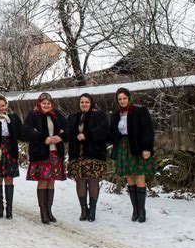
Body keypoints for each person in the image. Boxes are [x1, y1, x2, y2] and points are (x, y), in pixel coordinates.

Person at [110, 87, 155, 223]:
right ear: (117, 101)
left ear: (129, 98)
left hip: (137, 147)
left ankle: (142, 211)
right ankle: (135, 210)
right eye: (120, 99)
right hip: (123, 147)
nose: (122, 101)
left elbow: (148, 130)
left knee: (140, 177)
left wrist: (147, 148)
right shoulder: (116, 114)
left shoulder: (140, 111)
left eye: (124, 98)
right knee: (130, 178)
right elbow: (113, 132)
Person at [22, 92, 67, 225]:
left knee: (51, 181)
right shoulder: (33, 115)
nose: (46, 105)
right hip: (41, 153)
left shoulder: (57, 114)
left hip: (55, 153)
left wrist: (61, 137)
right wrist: (43, 138)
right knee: (43, 181)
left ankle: (49, 210)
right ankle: (43, 212)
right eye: (44, 103)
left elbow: (68, 127)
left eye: (48, 103)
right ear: (39, 104)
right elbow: (26, 131)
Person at [66, 93, 109, 222]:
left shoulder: (99, 115)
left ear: (91, 103)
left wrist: (87, 135)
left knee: (92, 181)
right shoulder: (74, 117)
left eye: (86, 102)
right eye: (82, 102)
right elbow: (68, 132)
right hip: (77, 154)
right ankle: (84, 210)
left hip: (93, 154)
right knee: (80, 181)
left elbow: (103, 131)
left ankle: (92, 210)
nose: (84, 104)